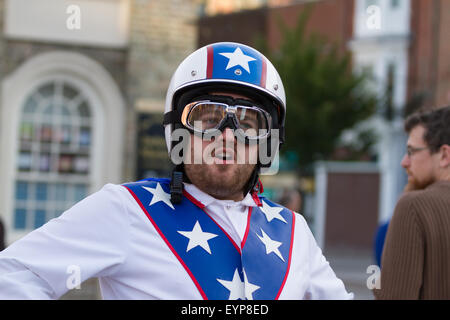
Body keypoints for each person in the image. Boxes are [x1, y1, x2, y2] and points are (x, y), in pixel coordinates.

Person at [0, 42, 352, 300]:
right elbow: (12, 275)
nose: (227, 135)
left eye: (249, 123)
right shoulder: (125, 209)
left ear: (267, 143)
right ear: (177, 132)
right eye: (208, 118)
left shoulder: (293, 231)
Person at [373, 106, 450, 299]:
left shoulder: (413, 206)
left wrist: (375, 281)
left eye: (411, 151)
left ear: (444, 155)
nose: (404, 162)